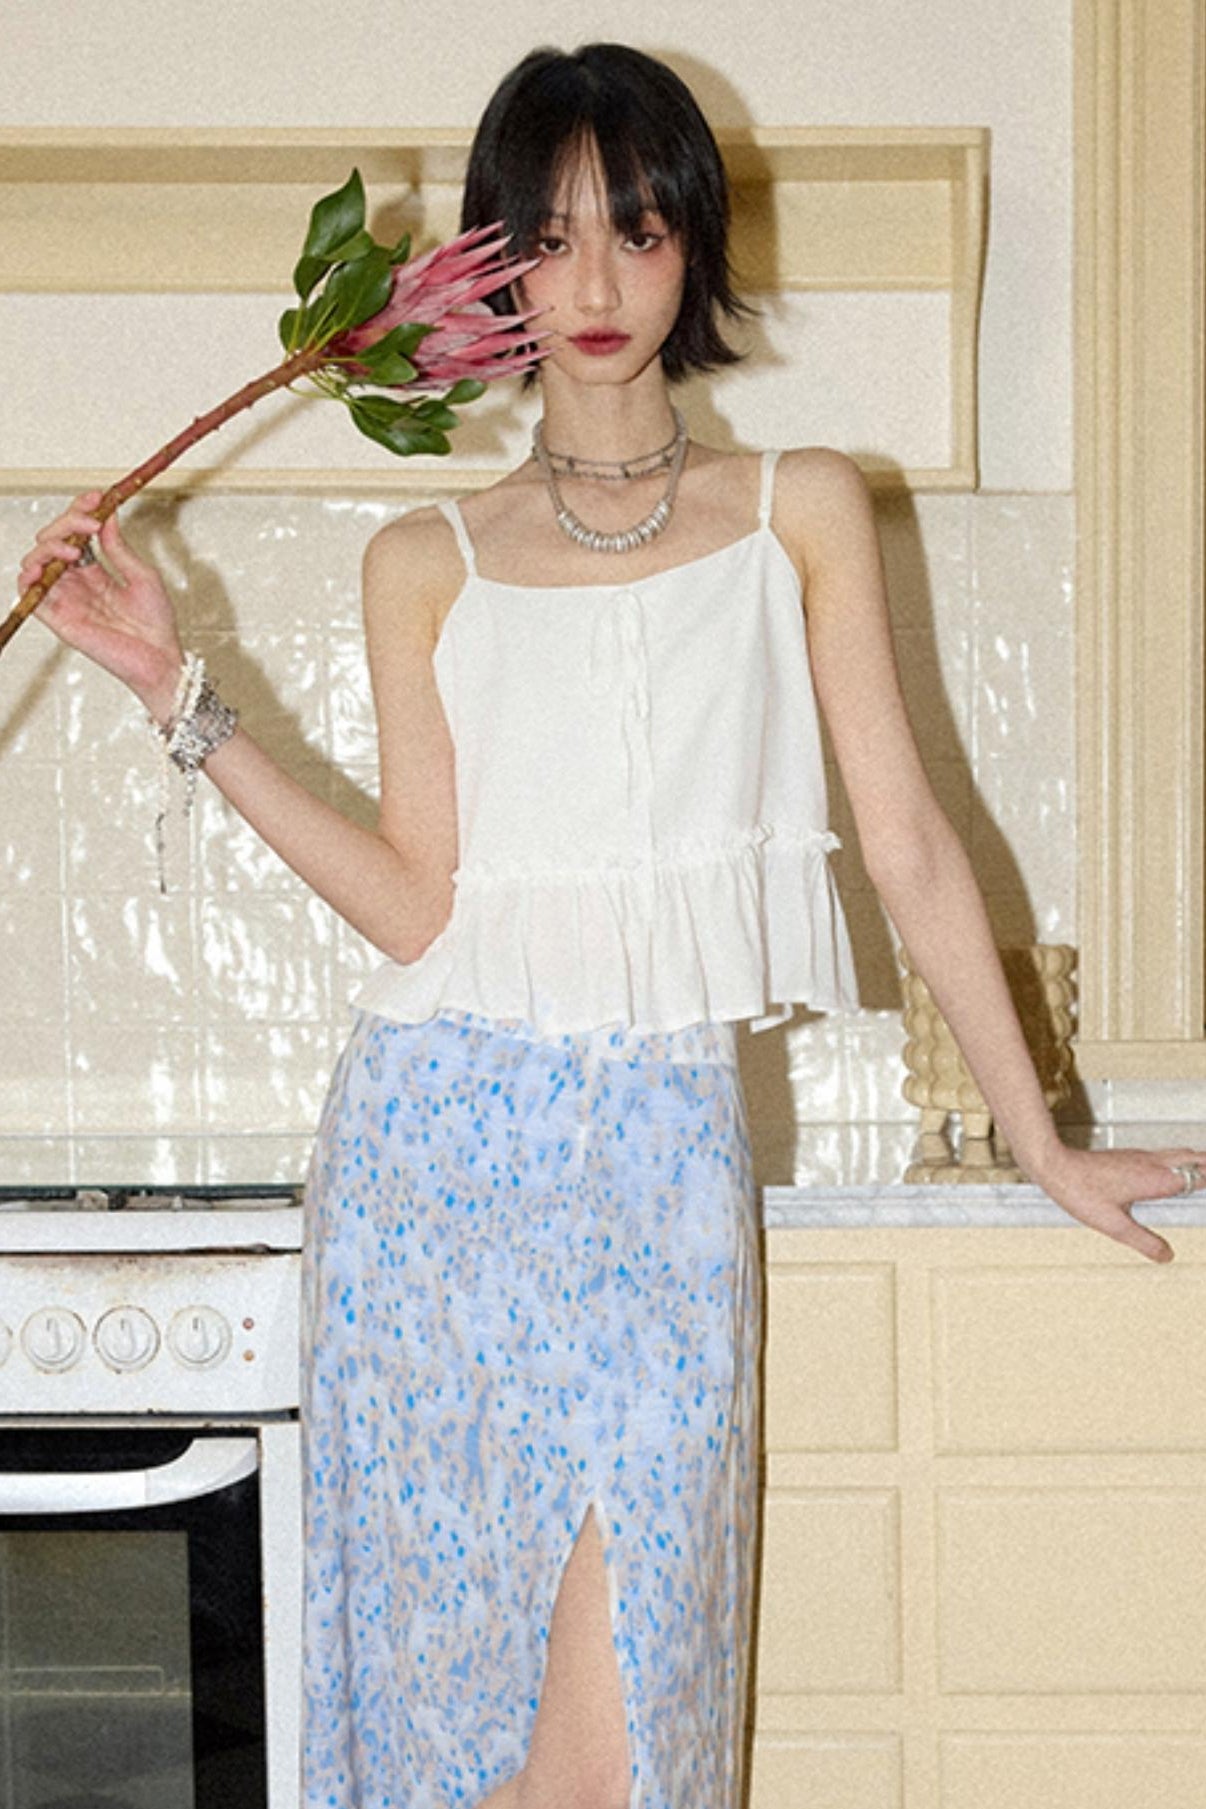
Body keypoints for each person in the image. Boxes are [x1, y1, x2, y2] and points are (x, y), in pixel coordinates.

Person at [17, 38, 1206, 1809]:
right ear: (492, 268)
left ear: (692, 248)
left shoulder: (801, 510)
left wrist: (1044, 1139)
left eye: (635, 233)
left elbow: (909, 847)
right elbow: (415, 903)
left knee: (625, 1744)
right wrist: (174, 692)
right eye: (548, 238)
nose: (591, 284)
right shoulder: (424, 558)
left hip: (660, 1164)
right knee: (466, 1756)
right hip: (434, 1174)